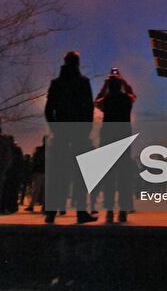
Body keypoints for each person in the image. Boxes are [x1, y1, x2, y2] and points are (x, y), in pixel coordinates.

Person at [44, 50, 96, 225]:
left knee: (57, 173)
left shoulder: (56, 83)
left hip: (61, 133)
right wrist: (86, 129)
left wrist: (55, 128)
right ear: (78, 63)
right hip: (79, 132)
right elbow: (89, 108)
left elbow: (48, 109)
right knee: (80, 173)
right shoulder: (83, 82)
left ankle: (50, 213)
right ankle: (81, 212)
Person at [95, 73, 135, 223]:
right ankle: (123, 210)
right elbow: (132, 94)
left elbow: (96, 102)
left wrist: (105, 86)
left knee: (109, 178)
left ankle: (110, 211)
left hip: (108, 140)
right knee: (124, 177)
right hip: (123, 139)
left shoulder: (106, 100)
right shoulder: (126, 100)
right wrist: (124, 81)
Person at [25, 140, 46, 213]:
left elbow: (34, 161)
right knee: (44, 190)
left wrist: (32, 172)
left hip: (38, 171)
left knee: (36, 190)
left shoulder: (38, 150)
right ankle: (44, 206)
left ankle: (31, 205)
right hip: (46, 171)